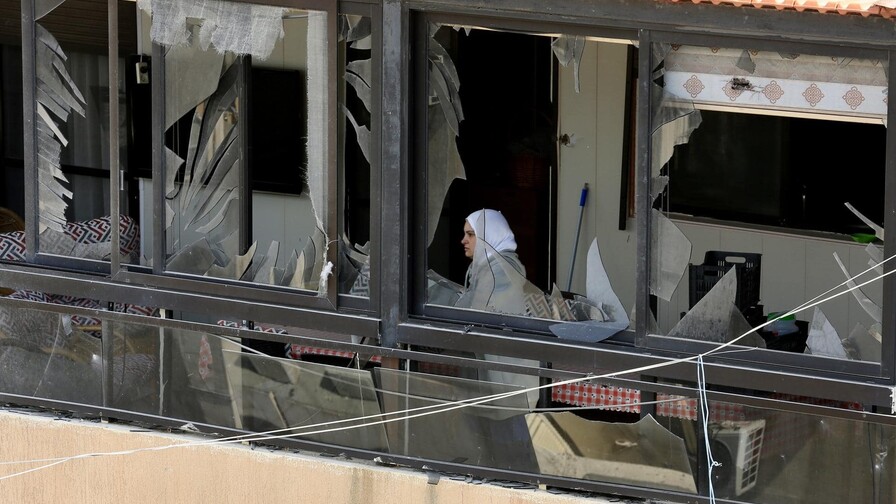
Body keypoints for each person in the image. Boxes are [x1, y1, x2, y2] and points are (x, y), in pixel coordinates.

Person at [456, 209, 528, 314]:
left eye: (470, 234)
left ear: (489, 235)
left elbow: (479, 314)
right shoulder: (489, 266)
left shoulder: (499, 271)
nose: (463, 240)